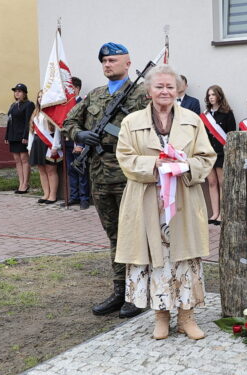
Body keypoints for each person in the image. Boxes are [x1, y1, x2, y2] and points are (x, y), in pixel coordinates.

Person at [116, 64, 216, 341]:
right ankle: (161, 317)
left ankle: (187, 317)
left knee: (185, 257)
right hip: (148, 202)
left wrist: (184, 166)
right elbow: (125, 159)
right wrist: (158, 164)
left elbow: (207, 157)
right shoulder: (131, 122)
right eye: (158, 86)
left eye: (169, 86)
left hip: (183, 200)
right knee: (155, 261)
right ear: (148, 90)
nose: (164, 91)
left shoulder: (193, 120)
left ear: (178, 90)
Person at [64, 42, 149, 319]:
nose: (107, 65)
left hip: (130, 176)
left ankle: (138, 293)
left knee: (134, 235)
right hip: (100, 175)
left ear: (127, 63)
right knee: (114, 235)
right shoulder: (94, 95)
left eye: (113, 60)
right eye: (104, 61)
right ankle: (119, 291)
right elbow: (69, 122)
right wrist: (80, 135)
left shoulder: (141, 93)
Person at [201, 84, 235, 225]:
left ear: (219, 96)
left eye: (213, 95)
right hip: (209, 153)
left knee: (222, 182)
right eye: (209, 95)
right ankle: (214, 213)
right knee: (212, 182)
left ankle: (222, 213)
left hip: (222, 153)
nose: (211, 97)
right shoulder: (205, 115)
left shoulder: (227, 113)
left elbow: (231, 133)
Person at [28, 90, 62, 204]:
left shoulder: (52, 112)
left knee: (51, 170)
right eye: (39, 97)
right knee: (41, 170)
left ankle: (53, 195)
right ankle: (46, 193)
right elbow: (31, 131)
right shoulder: (35, 112)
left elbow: (58, 130)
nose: (40, 99)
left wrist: (55, 146)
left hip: (49, 143)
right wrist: (29, 146)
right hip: (37, 143)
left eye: (43, 97)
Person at [63, 77, 91, 209]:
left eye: (71, 88)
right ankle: (74, 196)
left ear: (77, 89)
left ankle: (84, 198)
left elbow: (84, 126)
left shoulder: (82, 103)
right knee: (71, 171)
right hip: (68, 142)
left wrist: (80, 145)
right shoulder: (65, 105)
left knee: (81, 170)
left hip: (79, 143)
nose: (68, 91)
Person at [5, 83, 35, 194]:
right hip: (13, 136)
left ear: (25, 93)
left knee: (24, 159)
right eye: (15, 91)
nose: (17, 93)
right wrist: (7, 135)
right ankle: (20, 183)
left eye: (19, 91)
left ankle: (25, 184)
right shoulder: (13, 105)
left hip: (22, 136)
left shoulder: (29, 104)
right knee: (17, 161)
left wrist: (26, 136)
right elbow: (10, 121)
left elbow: (29, 121)